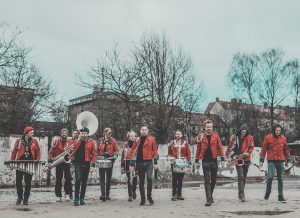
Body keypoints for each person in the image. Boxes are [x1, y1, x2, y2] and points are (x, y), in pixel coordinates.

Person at [195, 119, 225, 206]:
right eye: (207, 127)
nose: (209, 128)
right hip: (205, 161)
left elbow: (220, 147)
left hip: (214, 160)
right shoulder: (201, 137)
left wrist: (223, 160)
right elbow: (198, 149)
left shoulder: (216, 136)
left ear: (212, 127)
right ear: (204, 127)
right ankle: (208, 199)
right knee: (207, 180)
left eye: (210, 127)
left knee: (214, 180)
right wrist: (197, 161)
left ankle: (210, 195)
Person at [259, 124, 291, 202]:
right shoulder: (268, 137)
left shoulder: (283, 138)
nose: (278, 132)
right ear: (274, 130)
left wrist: (288, 159)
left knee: (281, 179)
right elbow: (263, 149)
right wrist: (261, 160)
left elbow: (286, 149)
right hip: (271, 160)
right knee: (270, 176)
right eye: (276, 130)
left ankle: (280, 196)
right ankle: (268, 191)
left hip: (281, 160)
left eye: (279, 131)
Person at [128, 125, 159, 206]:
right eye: (142, 130)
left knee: (149, 178)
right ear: (140, 131)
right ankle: (143, 199)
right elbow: (133, 152)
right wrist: (131, 164)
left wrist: (155, 163)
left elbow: (155, 151)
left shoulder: (152, 139)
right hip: (139, 163)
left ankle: (149, 196)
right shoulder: (137, 139)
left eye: (145, 130)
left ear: (148, 131)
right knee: (141, 181)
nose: (144, 131)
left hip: (149, 163)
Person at [10, 126, 41, 205]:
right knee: (18, 181)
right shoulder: (19, 141)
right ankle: (20, 197)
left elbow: (38, 152)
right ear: (26, 133)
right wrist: (12, 161)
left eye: (33, 133)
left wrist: (37, 159)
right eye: (31, 133)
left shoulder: (35, 141)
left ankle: (26, 198)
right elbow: (14, 151)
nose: (33, 134)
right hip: (20, 163)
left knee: (28, 182)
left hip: (30, 163)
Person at [68, 127, 97, 206]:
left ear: (87, 134)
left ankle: (82, 198)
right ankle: (76, 199)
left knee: (84, 182)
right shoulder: (76, 142)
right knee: (78, 180)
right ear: (80, 134)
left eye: (84, 133)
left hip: (87, 163)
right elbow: (73, 153)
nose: (83, 135)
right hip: (77, 163)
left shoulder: (91, 142)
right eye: (82, 133)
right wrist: (71, 164)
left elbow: (94, 154)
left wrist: (93, 164)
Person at [225, 124, 254, 202]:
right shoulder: (235, 138)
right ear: (240, 131)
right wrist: (233, 156)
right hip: (238, 160)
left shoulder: (250, 138)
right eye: (242, 132)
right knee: (240, 177)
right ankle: (242, 195)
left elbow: (251, 148)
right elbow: (231, 148)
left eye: (245, 132)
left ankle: (240, 193)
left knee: (244, 177)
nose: (244, 133)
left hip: (246, 160)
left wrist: (245, 154)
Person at [48, 128, 73, 201]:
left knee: (68, 178)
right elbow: (51, 152)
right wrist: (50, 161)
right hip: (58, 162)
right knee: (58, 179)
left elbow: (73, 151)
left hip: (67, 162)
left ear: (67, 134)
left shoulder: (71, 141)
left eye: (65, 133)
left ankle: (67, 194)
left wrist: (70, 154)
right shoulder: (56, 141)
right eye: (63, 133)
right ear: (61, 134)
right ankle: (58, 195)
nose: (64, 134)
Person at [168, 130, 191, 201]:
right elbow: (169, 153)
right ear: (175, 135)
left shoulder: (185, 143)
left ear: (181, 135)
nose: (178, 135)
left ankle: (179, 194)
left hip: (182, 163)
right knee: (174, 179)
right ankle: (174, 194)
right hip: (174, 163)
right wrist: (172, 160)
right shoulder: (172, 143)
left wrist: (189, 161)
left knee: (180, 179)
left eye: (179, 134)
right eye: (176, 134)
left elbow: (188, 152)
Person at [98, 127, 119, 201]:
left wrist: (115, 156)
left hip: (110, 159)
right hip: (102, 159)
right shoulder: (100, 140)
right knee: (102, 178)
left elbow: (116, 151)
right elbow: (97, 150)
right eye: (108, 132)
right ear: (104, 133)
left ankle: (107, 194)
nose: (109, 134)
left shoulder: (113, 141)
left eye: (110, 133)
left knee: (108, 178)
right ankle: (103, 194)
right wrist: (98, 157)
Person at [121, 131, 138, 201]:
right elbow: (123, 155)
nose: (132, 137)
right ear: (128, 137)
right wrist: (122, 165)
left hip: (136, 162)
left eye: (133, 136)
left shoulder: (138, 144)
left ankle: (134, 191)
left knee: (135, 178)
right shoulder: (126, 144)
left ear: (135, 136)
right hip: (127, 162)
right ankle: (130, 195)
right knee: (129, 179)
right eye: (131, 136)